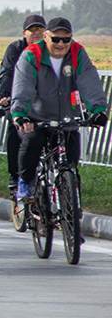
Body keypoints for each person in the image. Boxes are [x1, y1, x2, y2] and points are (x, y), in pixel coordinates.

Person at [11, 17, 107, 201]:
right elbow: (23, 86)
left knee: (71, 161)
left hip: (67, 117)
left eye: (66, 39)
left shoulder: (78, 53)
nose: (61, 44)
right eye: (56, 39)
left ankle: (71, 199)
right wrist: (21, 114)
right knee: (31, 144)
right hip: (37, 117)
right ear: (46, 36)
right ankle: (25, 182)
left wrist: (97, 109)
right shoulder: (31, 54)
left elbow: (89, 80)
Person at [0, 14, 45, 197]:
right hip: (20, 99)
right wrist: (5, 95)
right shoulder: (16, 49)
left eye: (40, 30)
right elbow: (7, 73)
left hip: (46, 103)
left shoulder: (51, 50)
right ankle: (15, 175)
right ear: (24, 33)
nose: (36, 34)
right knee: (14, 127)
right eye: (32, 30)